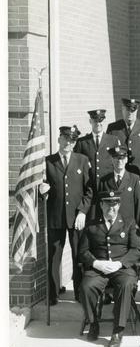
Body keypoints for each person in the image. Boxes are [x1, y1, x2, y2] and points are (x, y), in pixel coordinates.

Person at [78, 191, 140, 347]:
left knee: (126, 284)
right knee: (86, 287)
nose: (110, 208)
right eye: (107, 204)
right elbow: (82, 252)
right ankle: (93, 323)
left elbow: (137, 249)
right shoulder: (92, 225)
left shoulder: (128, 223)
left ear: (119, 205)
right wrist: (96, 263)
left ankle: (118, 330)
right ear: (101, 205)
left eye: (114, 204)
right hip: (99, 269)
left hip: (121, 269)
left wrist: (120, 263)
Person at [41, 126, 93, 304]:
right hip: (56, 216)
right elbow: (42, 187)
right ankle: (53, 294)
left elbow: (89, 190)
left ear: (74, 143)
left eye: (71, 141)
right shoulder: (48, 161)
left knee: (79, 255)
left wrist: (83, 212)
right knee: (54, 255)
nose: (67, 143)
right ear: (58, 139)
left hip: (76, 217)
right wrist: (42, 191)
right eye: (64, 139)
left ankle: (79, 293)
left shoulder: (82, 160)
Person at [106, 98, 140, 181]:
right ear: (122, 109)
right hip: (120, 177)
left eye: (133, 111)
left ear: (137, 111)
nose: (130, 113)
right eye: (127, 110)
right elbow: (108, 154)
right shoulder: (113, 128)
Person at [74, 109, 121, 192]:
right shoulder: (82, 142)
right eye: (95, 121)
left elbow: (118, 162)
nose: (98, 124)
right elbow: (77, 164)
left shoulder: (113, 140)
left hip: (107, 185)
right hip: (89, 186)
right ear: (90, 121)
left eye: (100, 121)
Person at [98, 146, 140, 228]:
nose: (119, 161)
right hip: (110, 225)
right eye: (116, 158)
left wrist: (138, 224)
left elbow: (138, 203)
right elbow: (100, 205)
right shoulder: (104, 180)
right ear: (112, 160)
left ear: (126, 160)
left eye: (122, 158)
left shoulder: (134, 178)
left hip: (129, 225)